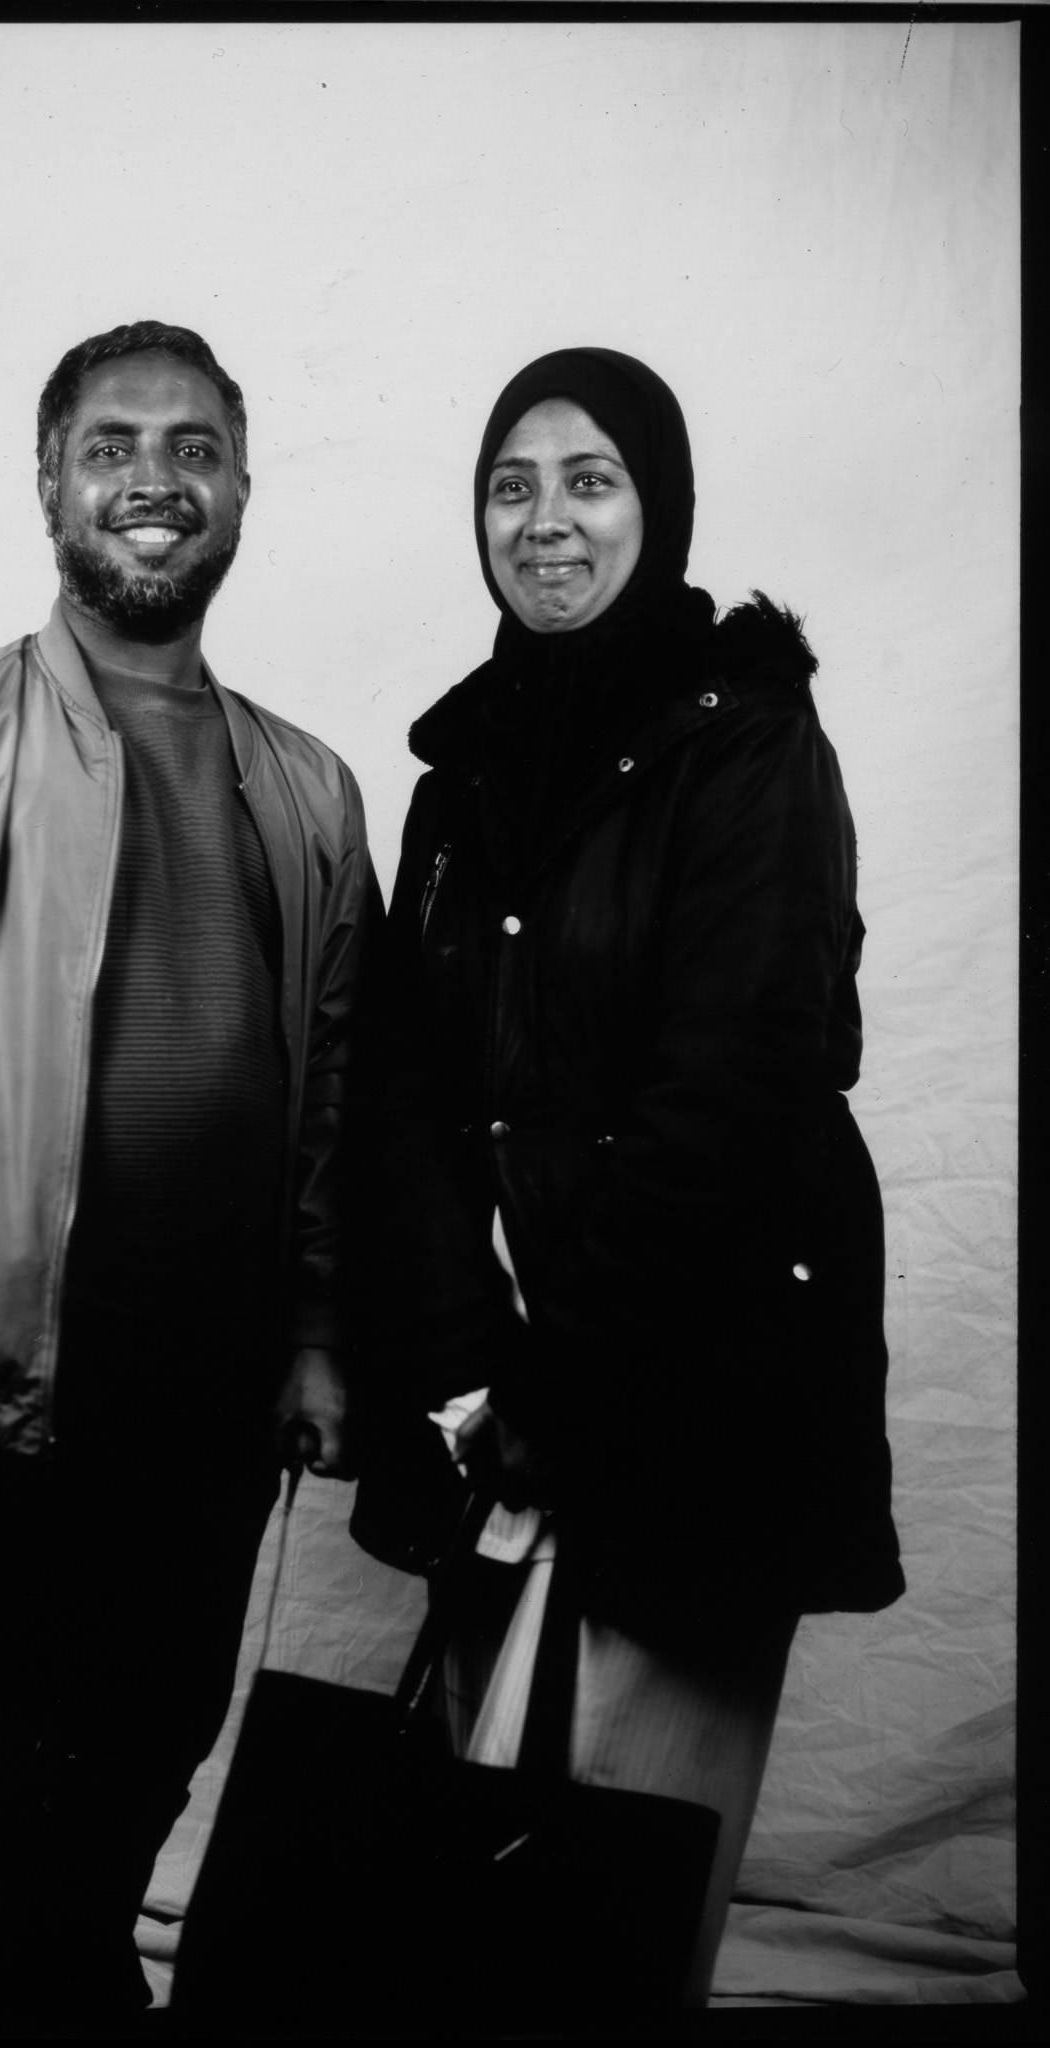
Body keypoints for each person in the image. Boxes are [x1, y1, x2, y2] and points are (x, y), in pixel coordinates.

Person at [0, 320, 376, 2023]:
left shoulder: (310, 788)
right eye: (111, 444)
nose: (152, 480)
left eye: (192, 448)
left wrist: (323, 1332)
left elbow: (332, 1089)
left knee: (125, 1802)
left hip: (211, 1415)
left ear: (242, 492)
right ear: (48, 480)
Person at [350, 346, 904, 2004]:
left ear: (656, 510)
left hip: (694, 1377)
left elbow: (726, 1096)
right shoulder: (455, 788)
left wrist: (544, 1374)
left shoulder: (746, 750)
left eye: (588, 481)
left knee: (617, 1872)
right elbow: (406, 1099)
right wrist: (462, 1356)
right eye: (510, 487)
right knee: (465, 1847)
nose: (546, 523)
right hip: (508, 1391)